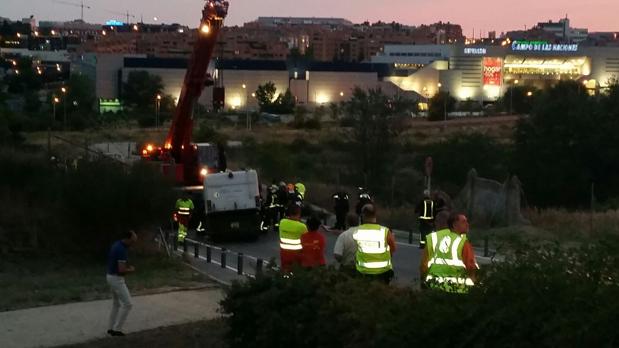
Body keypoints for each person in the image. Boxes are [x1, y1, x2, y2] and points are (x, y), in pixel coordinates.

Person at [420, 212, 478, 293]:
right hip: (457, 289)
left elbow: (423, 266)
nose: (467, 224)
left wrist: (423, 282)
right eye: (463, 222)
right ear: (454, 224)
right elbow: (471, 268)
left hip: (434, 287)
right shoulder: (462, 241)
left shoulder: (432, 238)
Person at [352, 204, 397, 284]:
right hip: (383, 273)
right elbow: (393, 249)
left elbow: (353, 249)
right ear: (375, 215)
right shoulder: (385, 231)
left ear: (362, 216)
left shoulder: (357, 231)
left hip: (363, 272)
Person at [106, 230, 138, 337]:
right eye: (133, 241)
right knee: (128, 304)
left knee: (116, 304)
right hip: (117, 279)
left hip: (110, 276)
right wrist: (131, 270)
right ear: (128, 239)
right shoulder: (121, 250)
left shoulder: (116, 245)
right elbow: (121, 270)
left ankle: (110, 328)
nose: (133, 243)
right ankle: (117, 329)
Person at [279, 204, 308, 272]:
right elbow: (306, 239)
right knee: (296, 271)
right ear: (299, 213)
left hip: (284, 252)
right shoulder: (302, 226)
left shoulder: (282, 222)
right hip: (297, 254)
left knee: (285, 271)